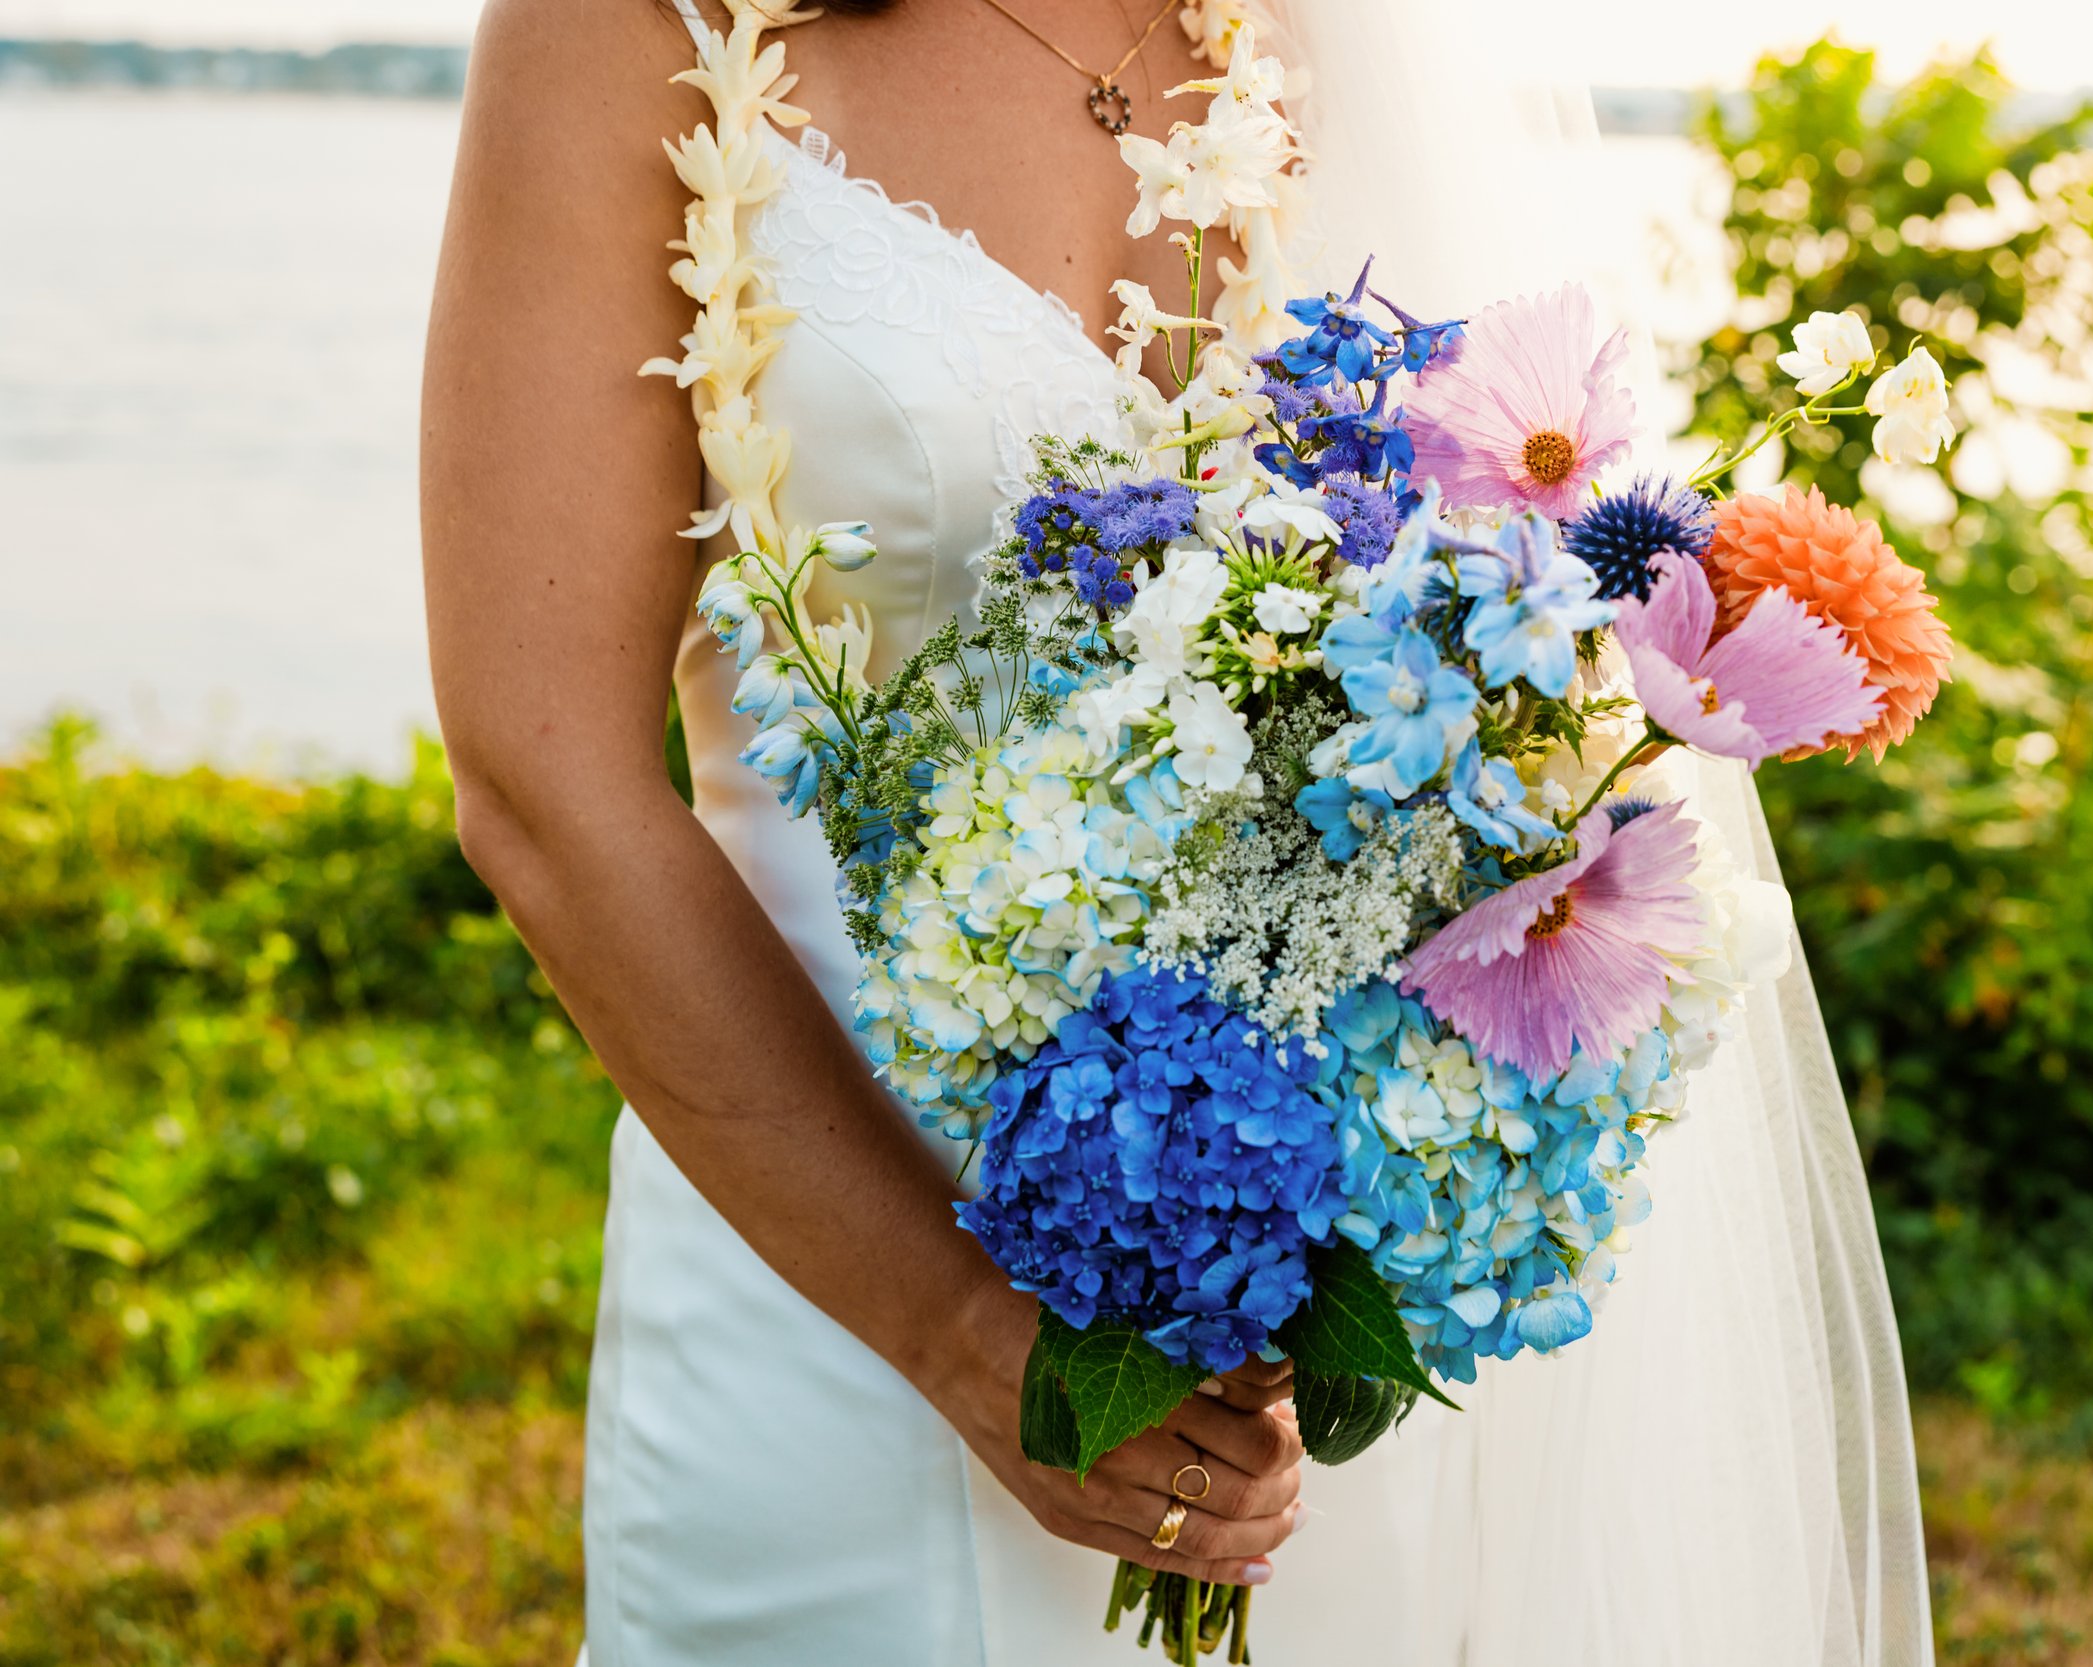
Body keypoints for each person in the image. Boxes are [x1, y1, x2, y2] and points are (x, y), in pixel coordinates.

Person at [420, 2, 1934, 1661]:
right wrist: (956, 1338)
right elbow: (542, 779)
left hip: (1303, 1329)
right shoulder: (632, 21)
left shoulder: (1339, 31)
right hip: (827, 1292)